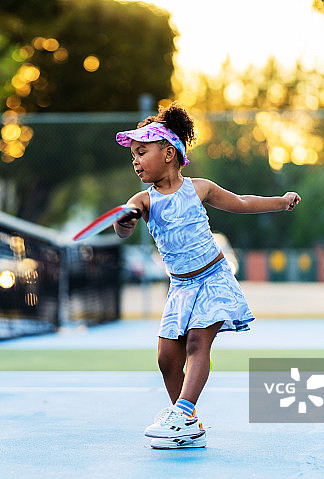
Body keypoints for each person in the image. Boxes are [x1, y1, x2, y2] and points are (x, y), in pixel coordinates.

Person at [112, 103, 300, 449]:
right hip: (180, 287)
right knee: (167, 359)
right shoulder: (143, 200)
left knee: (199, 343)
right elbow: (126, 223)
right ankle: (188, 424)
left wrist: (280, 200)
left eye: (142, 152)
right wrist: (124, 220)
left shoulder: (199, 189)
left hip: (213, 279)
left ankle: (182, 412)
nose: (135, 161)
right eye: (133, 156)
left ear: (169, 153)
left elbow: (243, 202)